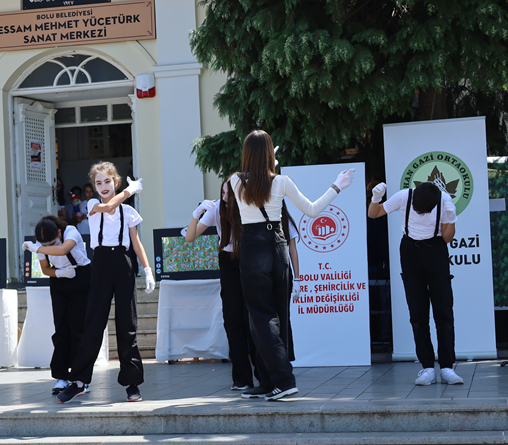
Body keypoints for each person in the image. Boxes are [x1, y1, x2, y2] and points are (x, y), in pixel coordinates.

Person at [229, 131, 355, 401]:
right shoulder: (282, 182)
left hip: (253, 247)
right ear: (270, 154)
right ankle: (267, 381)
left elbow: (251, 188)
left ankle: (283, 380)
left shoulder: (235, 182)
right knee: (277, 317)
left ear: (246, 154)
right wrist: (337, 186)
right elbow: (311, 209)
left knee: (261, 319)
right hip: (278, 245)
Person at [183, 184, 301, 394]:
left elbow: (286, 240)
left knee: (255, 319)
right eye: (224, 192)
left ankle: (265, 378)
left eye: (230, 192)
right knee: (233, 320)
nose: (226, 197)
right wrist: (197, 214)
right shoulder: (216, 208)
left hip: (252, 259)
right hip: (229, 262)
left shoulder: (249, 205)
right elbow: (190, 237)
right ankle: (241, 378)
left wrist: (298, 279)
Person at [55, 164, 148, 403]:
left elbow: (136, 243)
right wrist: (130, 190)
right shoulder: (91, 205)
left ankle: (132, 383)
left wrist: (147, 269)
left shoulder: (128, 213)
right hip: (101, 265)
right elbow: (108, 207)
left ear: (115, 183)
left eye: (107, 181)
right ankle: (78, 381)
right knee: (93, 324)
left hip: (123, 263)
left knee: (127, 324)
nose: (103, 186)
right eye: (98, 183)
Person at [369, 178, 463, 386]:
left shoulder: (444, 200)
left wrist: (451, 217)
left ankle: (447, 367)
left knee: (444, 312)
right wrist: (376, 198)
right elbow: (373, 214)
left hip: (436, 251)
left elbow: (447, 238)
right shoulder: (404, 196)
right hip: (410, 252)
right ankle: (427, 367)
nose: (421, 213)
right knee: (418, 314)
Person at [28, 214, 91, 396]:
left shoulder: (71, 232)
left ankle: (81, 379)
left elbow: (63, 250)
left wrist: (39, 248)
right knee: (61, 329)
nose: (48, 248)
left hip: (81, 278)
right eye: (44, 245)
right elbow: (46, 269)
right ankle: (61, 377)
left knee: (78, 329)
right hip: (59, 281)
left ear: (59, 232)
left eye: (52, 243)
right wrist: (60, 274)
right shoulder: (40, 244)